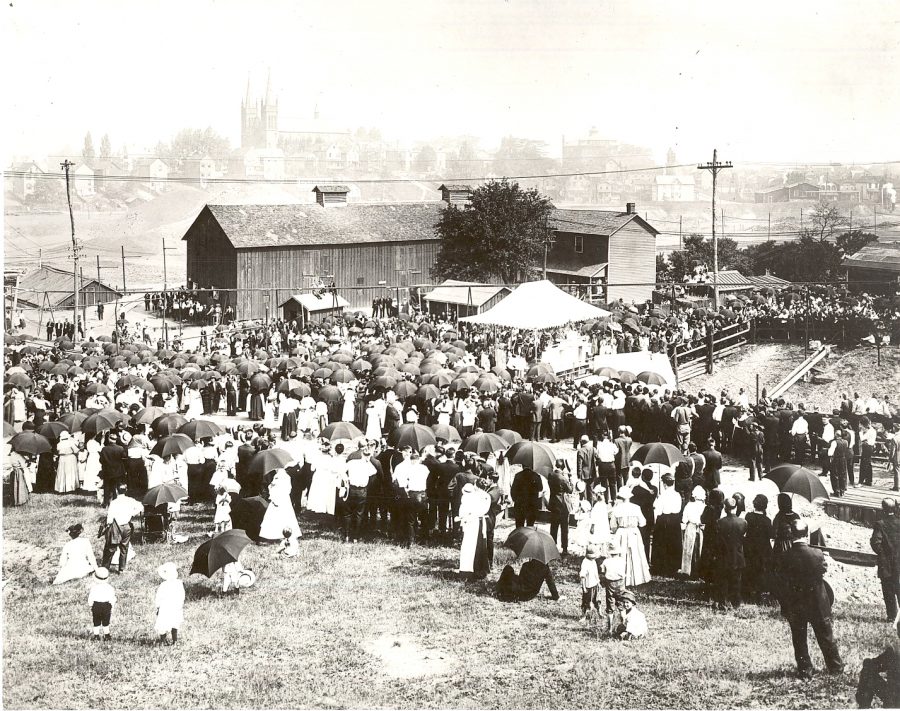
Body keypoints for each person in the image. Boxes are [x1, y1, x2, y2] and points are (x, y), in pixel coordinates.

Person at [779, 519, 844, 680]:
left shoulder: (785, 556)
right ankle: (835, 666)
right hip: (816, 601)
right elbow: (822, 569)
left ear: (791, 535)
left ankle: (805, 669)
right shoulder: (817, 553)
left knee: (799, 638)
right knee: (826, 635)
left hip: (796, 602)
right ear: (806, 534)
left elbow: (782, 578)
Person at [856, 613, 900, 709]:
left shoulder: (895, 650)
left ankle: (863, 706)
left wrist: (867, 662)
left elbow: (874, 665)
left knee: (868, 667)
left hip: (895, 702)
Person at [609, 489, 651, 587]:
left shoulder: (616, 509)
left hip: (621, 532)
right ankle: (636, 577)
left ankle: (621, 576)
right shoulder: (636, 508)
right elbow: (642, 522)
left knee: (622, 553)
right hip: (633, 531)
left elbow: (613, 525)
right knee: (635, 553)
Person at [871, 497, 900, 621]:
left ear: (883, 509)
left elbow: (876, 543)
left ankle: (892, 616)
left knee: (888, 590)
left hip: (886, 563)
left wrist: (883, 554)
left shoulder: (880, 524)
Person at [715, 497, 748, 610]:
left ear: (725, 508)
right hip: (737, 556)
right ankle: (736, 603)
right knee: (736, 580)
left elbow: (718, 541)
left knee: (723, 580)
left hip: (724, 556)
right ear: (736, 507)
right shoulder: (743, 522)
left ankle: (723, 602)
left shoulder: (720, 522)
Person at [101, 484, 141, 573]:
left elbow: (110, 519)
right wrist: (132, 513)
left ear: (116, 491)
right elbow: (141, 507)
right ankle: (121, 569)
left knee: (111, 547)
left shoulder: (114, 502)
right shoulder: (130, 500)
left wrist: (107, 526)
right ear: (126, 490)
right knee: (124, 548)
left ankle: (105, 568)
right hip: (127, 526)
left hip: (116, 525)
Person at [744, 494, 774, 603]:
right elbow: (771, 535)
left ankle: (747, 591)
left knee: (749, 568)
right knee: (760, 570)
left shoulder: (748, 516)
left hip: (750, 547)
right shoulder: (767, 520)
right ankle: (758, 592)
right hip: (762, 549)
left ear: (754, 504)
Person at [457, 483, 490, 580]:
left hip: (471, 522)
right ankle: (479, 569)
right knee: (478, 546)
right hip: (478, 522)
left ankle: (468, 571)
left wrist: (461, 518)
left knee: (469, 547)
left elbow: (463, 512)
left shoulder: (469, 498)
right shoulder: (484, 496)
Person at [652, 473, 683, 577]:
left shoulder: (662, 496)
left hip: (664, 520)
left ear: (665, 484)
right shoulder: (677, 495)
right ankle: (673, 566)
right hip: (674, 520)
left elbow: (658, 511)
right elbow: (678, 508)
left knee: (662, 543)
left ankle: (661, 566)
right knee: (673, 542)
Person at [496, 558, 562, 602]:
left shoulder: (526, 565)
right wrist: (556, 597)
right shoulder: (545, 568)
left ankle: (497, 588)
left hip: (520, 590)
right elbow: (551, 584)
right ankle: (500, 589)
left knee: (508, 569)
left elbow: (520, 580)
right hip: (529, 595)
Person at [154, 562, 185, 646]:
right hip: (175, 607)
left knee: (163, 624)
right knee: (174, 623)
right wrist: (180, 604)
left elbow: (159, 597)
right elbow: (182, 595)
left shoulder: (163, 585)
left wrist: (158, 607)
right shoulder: (179, 583)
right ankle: (174, 641)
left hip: (166, 607)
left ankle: (163, 640)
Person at [679, 486, 706, 578]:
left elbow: (684, 519)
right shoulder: (705, 507)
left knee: (689, 548)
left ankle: (687, 571)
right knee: (700, 548)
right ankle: (699, 570)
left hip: (691, 527)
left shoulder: (689, 505)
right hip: (701, 529)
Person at [599, 542, 626, 633]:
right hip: (620, 583)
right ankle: (624, 625)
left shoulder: (606, 561)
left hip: (610, 583)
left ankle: (610, 628)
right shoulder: (622, 561)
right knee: (621, 604)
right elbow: (623, 573)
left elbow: (602, 571)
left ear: (610, 552)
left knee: (610, 604)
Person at [548, 463, 573, 556]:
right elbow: (570, 490)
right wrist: (570, 478)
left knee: (553, 527)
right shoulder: (563, 479)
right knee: (564, 528)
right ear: (563, 468)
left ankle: (553, 547)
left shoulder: (550, 475)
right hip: (563, 506)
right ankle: (565, 549)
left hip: (553, 504)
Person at [87, 567, 116, 642]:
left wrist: (91, 605)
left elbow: (91, 598)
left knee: (96, 621)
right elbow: (112, 598)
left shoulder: (94, 588)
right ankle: (107, 635)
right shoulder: (110, 588)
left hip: (96, 606)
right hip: (106, 606)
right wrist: (112, 606)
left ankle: (96, 635)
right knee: (106, 621)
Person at [579, 544, 602, 625]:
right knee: (586, 601)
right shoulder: (585, 563)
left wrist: (598, 582)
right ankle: (584, 616)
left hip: (594, 584)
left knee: (597, 600)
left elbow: (596, 573)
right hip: (588, 586)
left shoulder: (593, 562)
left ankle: (599, 613)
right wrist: (584, 587)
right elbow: (582, 577)